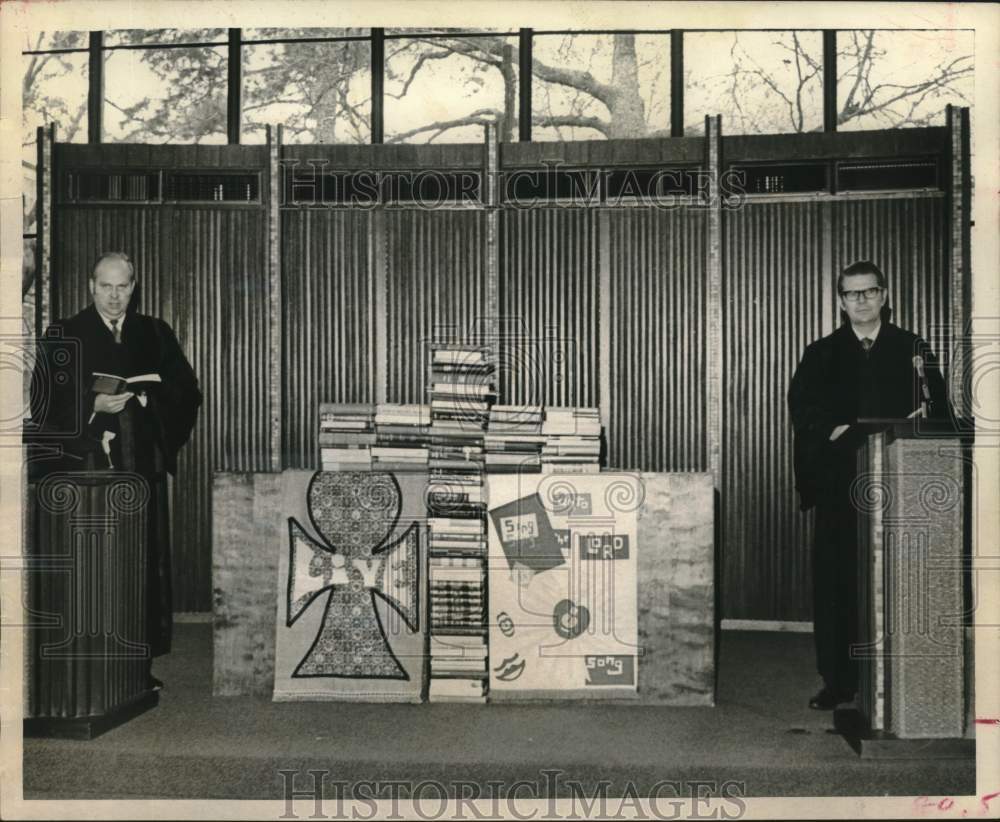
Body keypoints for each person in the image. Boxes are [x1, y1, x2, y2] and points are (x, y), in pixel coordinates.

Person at [29, 251, 202, 690]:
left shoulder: (154, 333)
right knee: (96, 564)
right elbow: (43, 403)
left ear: (133, 287)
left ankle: (136, 666)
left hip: (141, 465)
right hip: (86, 471)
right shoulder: (64, 334)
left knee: (141, 564)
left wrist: (149, 400)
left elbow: (187, 392)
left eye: (122, 286)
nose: (114, 295)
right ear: (91, 286)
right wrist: (92, 406)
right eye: (105, 286)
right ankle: (91, 670)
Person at [788, 260, 948, 710]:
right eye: (851, 294)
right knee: (837, 582)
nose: (861, 300)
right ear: (840, 301)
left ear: (884, 296)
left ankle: (903, 676)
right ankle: (839, 682)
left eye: (869, 291)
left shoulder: (912, 349)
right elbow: (804, 409)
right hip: (841, 485)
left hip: (901, 486)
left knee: (901, 581)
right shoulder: (820, 353)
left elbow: (936, 406)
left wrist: (923, 419)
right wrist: (833, 430)